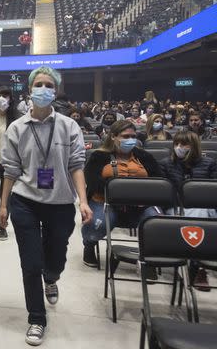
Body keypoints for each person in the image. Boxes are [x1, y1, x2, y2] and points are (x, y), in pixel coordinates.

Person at [0, 66, 92, 346]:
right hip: (25, 201)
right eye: (38, 84)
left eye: (48, 84)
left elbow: (76, 165)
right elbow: (10, 171)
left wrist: (83, 201)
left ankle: (51, 278)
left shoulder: (69, 126)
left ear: (55, 90)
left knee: (55, 259)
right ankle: (36, 318)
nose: (43, 89)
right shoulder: (16, 128)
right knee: (30, 263)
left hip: (61, 203)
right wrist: (3, 206)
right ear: (30, 89)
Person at [81, 120, 163, 268]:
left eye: (133, 136)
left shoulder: (143, 156)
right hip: (105, 201)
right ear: (113, 136)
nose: (130, 140)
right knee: (96, 225)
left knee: (157, 224)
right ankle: (89, 245)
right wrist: (123, 190)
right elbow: (94, 183)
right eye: (125, 137)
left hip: (140, 205)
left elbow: (159, 180)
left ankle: (148, 257)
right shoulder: (98, 156)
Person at [158, 130, 217, 291]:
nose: (179, 147)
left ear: (194, 146)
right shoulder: (166, 164)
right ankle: (197, 266)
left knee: (202, 213)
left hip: (205, 209)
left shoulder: (209, 164)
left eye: (183, 144)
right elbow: (164, 194)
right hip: (175, 208)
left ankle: (193, 265)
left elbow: (213, 193)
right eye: (176, 144)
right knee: (196, 217)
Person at [0, 86, 21, 241]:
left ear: (10, 99)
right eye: (0, 95)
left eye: (6, 96)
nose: (2, 99)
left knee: (6, 197)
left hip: (9, 163)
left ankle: (2, 226)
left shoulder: (16, 118)